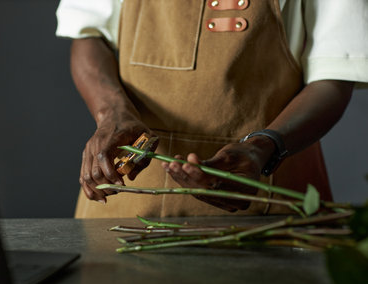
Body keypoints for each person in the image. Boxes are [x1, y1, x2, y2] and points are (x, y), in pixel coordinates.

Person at [56, 0, 368, 218]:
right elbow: (89, 35)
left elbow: (334, 76)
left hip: (269, 204)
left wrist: (263, 148)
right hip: (126, 205)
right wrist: (111, 113)